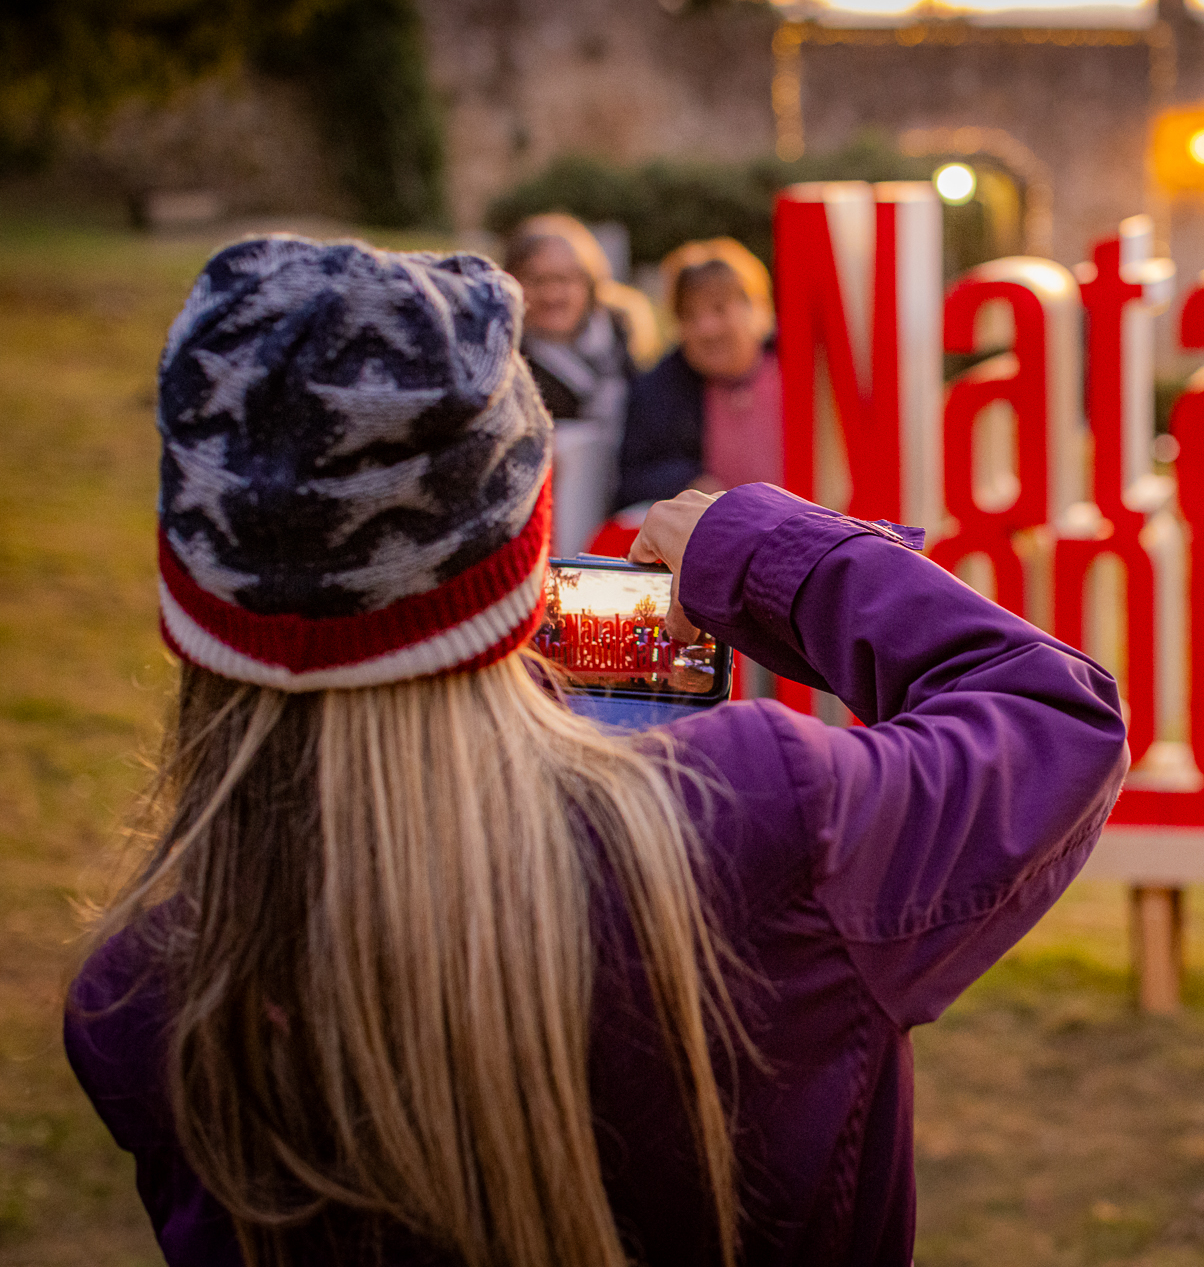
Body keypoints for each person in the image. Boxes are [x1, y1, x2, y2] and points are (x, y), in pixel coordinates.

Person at [65, 237, 1128, 1266]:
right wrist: (763, 551)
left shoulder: (139, 1005)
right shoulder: (758, 822)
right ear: (522, 551)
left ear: (193, 591)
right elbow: (1052, 715)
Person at [597, 240, 783, 554]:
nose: (705, 329)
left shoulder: (804, 367)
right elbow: (629, 483)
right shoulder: (656, 389)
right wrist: (689, 481)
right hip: (720, 546)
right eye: (690, 317)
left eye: (719, 309)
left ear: (758, 307)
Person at [503, 213, 659, 554]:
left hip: (623, 510)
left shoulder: (621, 343)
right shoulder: (504, 363)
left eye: (565, 279)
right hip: (542, 532)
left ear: (590, 283)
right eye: (537, 280)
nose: (552, 293)